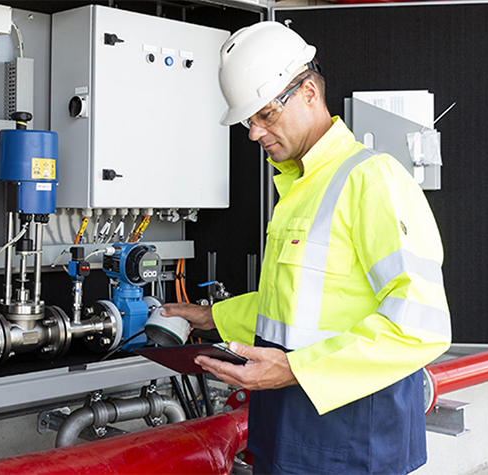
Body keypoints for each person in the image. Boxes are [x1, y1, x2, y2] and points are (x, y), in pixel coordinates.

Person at [160, 21, 452, 474]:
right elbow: (294, 307)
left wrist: (295, 371)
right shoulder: (299, 188)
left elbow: (420, 324)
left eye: (266, 115)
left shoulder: (371, 179)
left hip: (355, 437)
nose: (254, 133)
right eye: (248, 121)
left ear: (309, 92)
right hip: (287, 429)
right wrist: (211, 317)